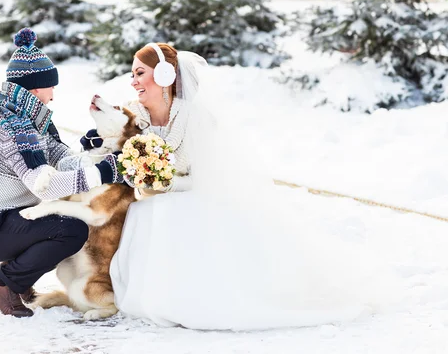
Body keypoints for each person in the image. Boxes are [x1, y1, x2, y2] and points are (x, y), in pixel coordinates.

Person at [89, 43, 396, 330]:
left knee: (172, 210)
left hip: (193, 196)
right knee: (148, 211)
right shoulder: (131, 114)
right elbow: (112, 155)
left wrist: (169, 185)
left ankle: (195, 295)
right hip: (148, 203)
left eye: (139, 73)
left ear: (164, 74)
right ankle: (146, 292)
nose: (133, 81)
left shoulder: (195, 118)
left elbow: (209, 176)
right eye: (132, 74)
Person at [0, 28, 123, 318]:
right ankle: (4, 283)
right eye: (51, 86)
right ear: (36, 88)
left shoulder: (32, 123)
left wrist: (101, 154)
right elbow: (45, 187)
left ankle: (16, 279)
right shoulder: (14, 130)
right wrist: (102, 172)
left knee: (61, 226)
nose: (53, 94)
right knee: (70, 230)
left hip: (9, 219)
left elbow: (62, 160)